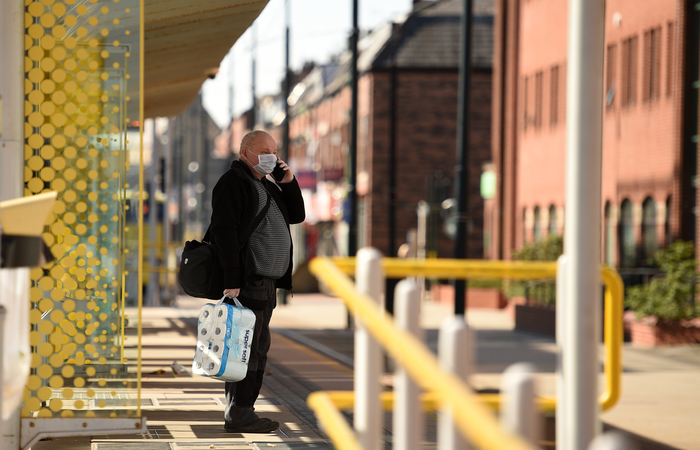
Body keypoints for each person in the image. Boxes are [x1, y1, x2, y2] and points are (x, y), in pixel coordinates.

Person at [209, 130, 305, 433]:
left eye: (274, 152)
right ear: (245, 152)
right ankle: (241, 413)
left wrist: (287, 181)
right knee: (245, 348)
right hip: (248, 281)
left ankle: (239, 410)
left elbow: (298, 215)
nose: (272, 157)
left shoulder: (267, 186)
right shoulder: (233, 183)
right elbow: (224, 233)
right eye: (265, 151)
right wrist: (232, 280)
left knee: (253, 347)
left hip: (265, 283)